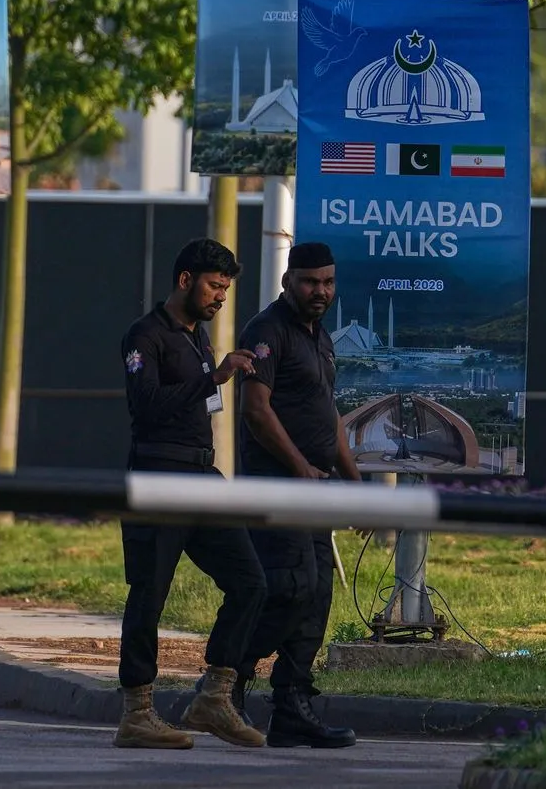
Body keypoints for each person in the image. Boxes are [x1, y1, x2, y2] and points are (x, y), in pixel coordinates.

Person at [114, 238, 268, 751]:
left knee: (250, 582)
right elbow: (146, 405)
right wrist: (213, 378)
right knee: (149, 594)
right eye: (214, 286)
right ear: (185, 280)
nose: (221, 296)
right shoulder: (145, 335)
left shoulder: (199, 338)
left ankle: (214, 696)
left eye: (226, 288)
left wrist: (212, 376)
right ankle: (137, 712)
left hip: (203, 475)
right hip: (158, 476)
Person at [233, 241, 363, 749]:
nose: (320, 291)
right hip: (277, 487)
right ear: (288, 281)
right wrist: (298, 466)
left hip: (316, 490)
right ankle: (226, 679)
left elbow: (329, 416)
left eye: (328, 282)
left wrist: (355, 485)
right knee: (291, 588)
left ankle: (291, 706)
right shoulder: (267, 330)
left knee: (317, 597)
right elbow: (255, 409)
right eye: (310, 282)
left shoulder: (321, 337)